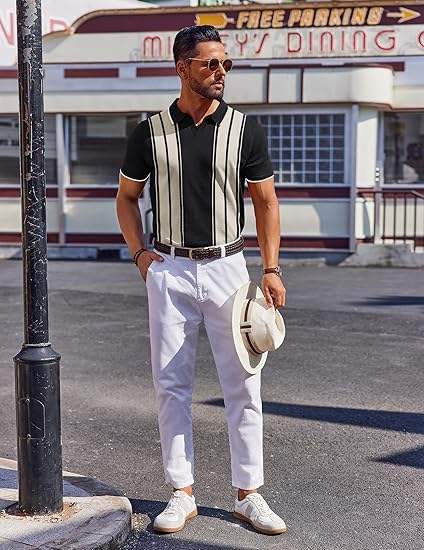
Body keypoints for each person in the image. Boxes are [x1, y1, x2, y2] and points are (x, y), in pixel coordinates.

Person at [116, 25, 287, 536]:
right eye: (210, 63)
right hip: (168, 269)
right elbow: (126, 198)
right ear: (182, 67)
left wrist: (271, 269)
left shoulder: (244, 129)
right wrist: (141, 256)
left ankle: (249, 495)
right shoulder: (149, 132)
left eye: (225, 64)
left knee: (244, 384)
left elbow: (266, 202)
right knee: (171, 385)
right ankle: (181, 493)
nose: (220, 72)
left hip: (228, 269)